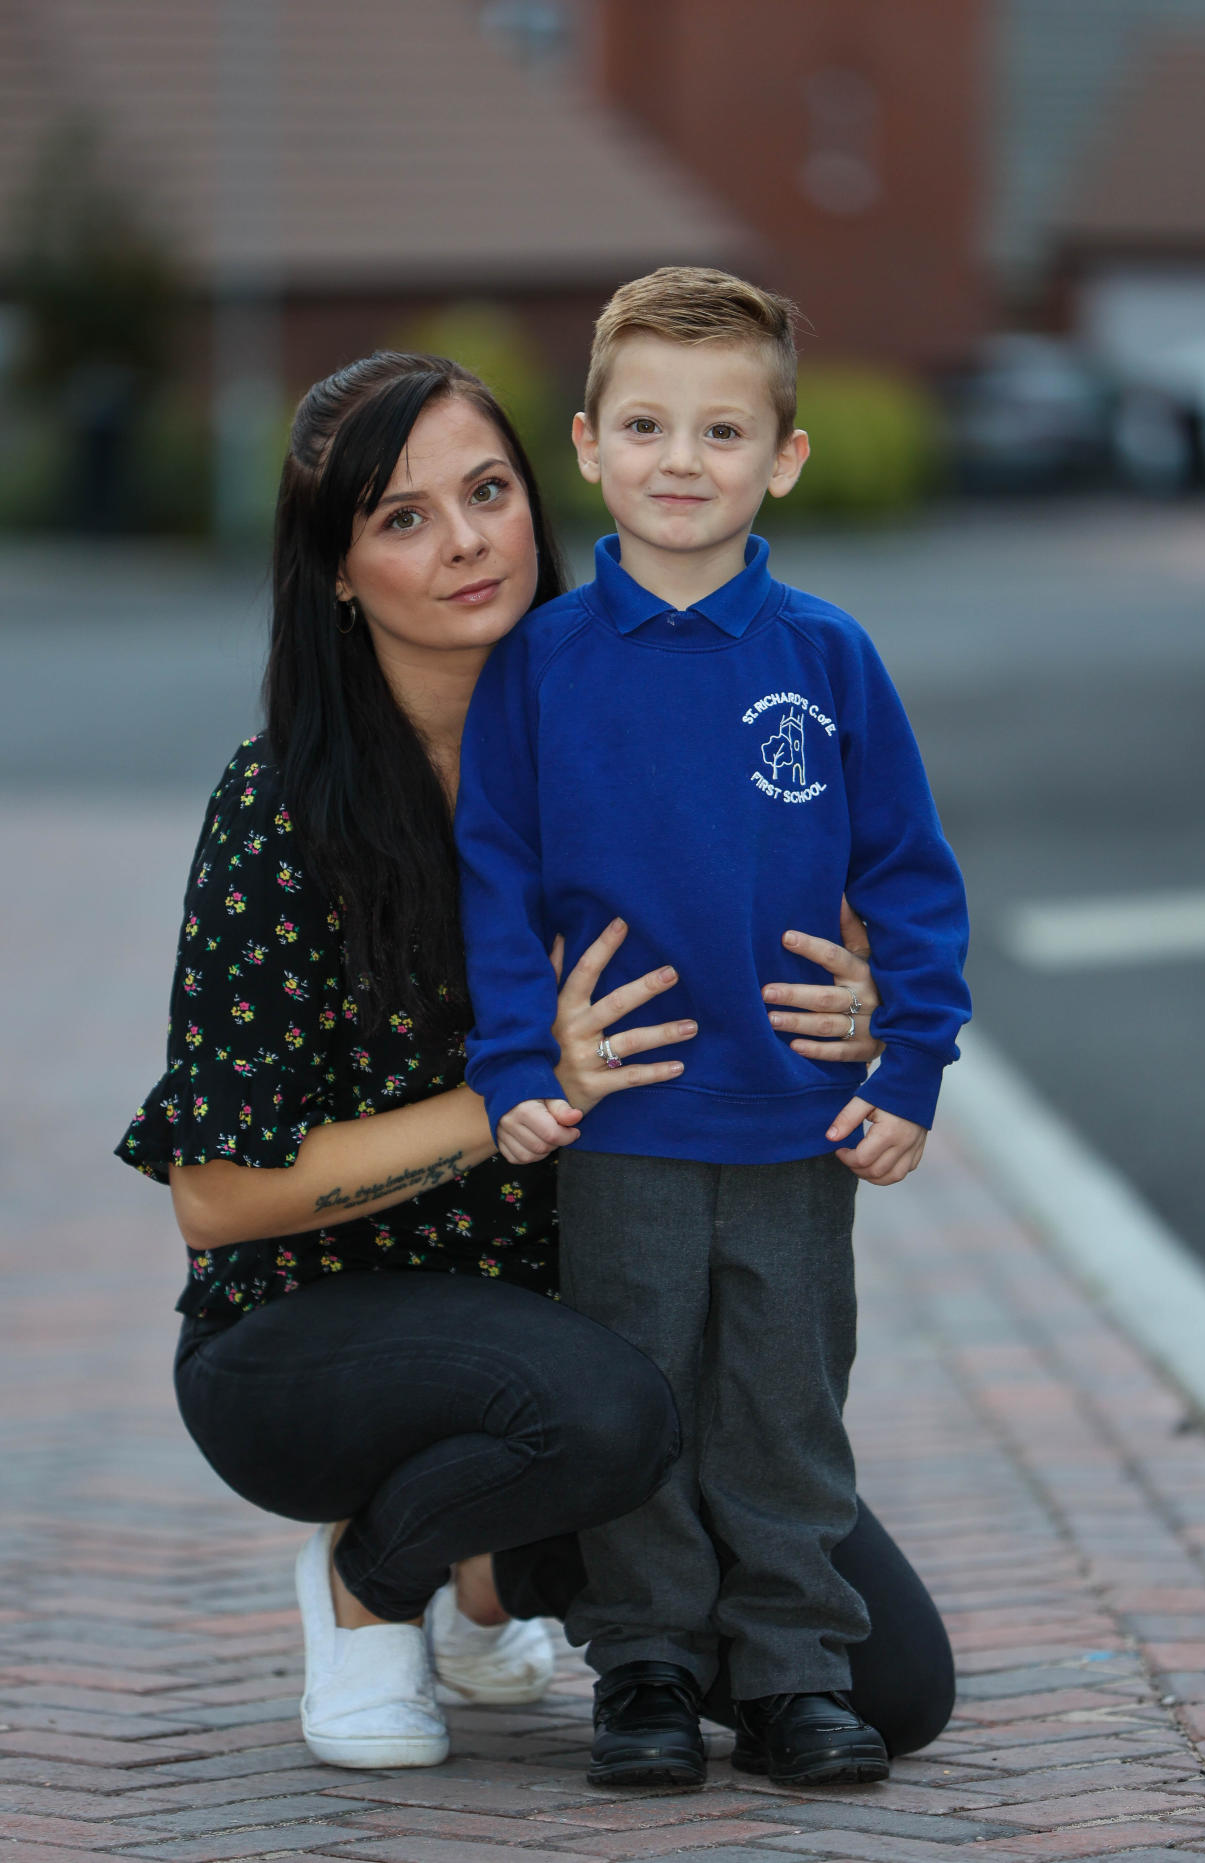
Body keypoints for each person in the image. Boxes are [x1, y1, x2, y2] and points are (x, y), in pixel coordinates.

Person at [116, 347, 955, 1778]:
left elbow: (824, 870)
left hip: (595, 1306)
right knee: (611, 1412)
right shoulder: (281, 811)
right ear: (334, 570)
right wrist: (510, 1093)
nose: (464, 545)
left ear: (538, 491)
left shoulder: (625, 707)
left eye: (487, 492)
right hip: (322, 1335)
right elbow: (216, 1199)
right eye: (400, 517)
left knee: (891, 1690)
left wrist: (863, 1002)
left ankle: (488, 1579)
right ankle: (370, 1579)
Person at [455, 269, 971, 1790]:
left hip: (794, 1124)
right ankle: (651, 1673)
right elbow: (496, 878)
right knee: (641, 1398)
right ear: (588, 446)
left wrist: (913, 1061)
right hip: (620, 1127)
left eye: (723, 429)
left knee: (782, 1404)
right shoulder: (540, 667)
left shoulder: (827, 660)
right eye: (647, 426)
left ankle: (797, 1671)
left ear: (782, 457)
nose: (682, 460)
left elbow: (911, 875)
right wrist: (509, 1065)